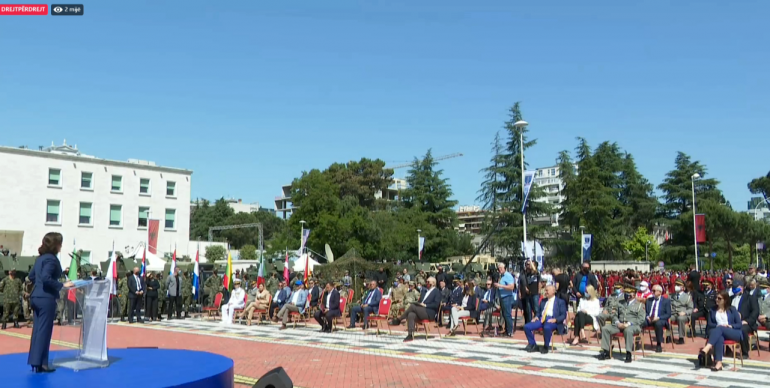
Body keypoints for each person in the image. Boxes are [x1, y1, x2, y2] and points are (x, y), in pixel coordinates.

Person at [28, 232, 74, 373]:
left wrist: (39, 285)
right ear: (56, 245)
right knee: (44, 331)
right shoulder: (51, 259)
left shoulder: (40, 259)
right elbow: (46, 278)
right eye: (60, 243)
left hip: (36, 297)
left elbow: (31, 276)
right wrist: (62, 285)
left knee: (38, 330)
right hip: (46, 298)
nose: (61, 246)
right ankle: (42, 363)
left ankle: (36, 362)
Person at [599, 284, 646, 363]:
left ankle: (628, 353)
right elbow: (614, 315)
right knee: (605, 329)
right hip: (619, 325)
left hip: (633, 326)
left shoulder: (640, 305)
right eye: (626, 293)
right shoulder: (620, 303)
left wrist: (629, 324)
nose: (627, 295)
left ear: (634, 294)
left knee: (628, 330)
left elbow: (641, 319)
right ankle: (606, 352)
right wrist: (617, 323)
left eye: (629, 293)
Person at [698, 290, 742, 371]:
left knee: (720, 329)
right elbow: (710, 324)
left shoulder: (732, 309)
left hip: (732, 331)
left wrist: (730, 326)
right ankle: (719, 363)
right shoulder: (712, 310)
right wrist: (718, 326)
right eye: (716, 298)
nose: (716, 300)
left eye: (719, 298)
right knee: (719, 336)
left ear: (725, 300)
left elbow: (739, 324)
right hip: (718, 332)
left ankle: (707, 347)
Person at [391, 276, 441, 342]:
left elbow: (436, 304)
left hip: (429, 312)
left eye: (428, 282)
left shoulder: (436, 292)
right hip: (421, 310)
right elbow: (419, 301)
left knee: (412, 306)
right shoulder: (424, 291)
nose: (427, 283)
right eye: (426, 282)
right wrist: (419, 304)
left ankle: (399, 319)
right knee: (411, 314)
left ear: (433, 283)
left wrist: (426, 305)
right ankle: (410, 335)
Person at [524, 285, 567, 354]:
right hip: (542, 319)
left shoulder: (560, 301)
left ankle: (546, 346)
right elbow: (539, 312)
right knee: (527, 326)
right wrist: (536, 317)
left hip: (552, 320)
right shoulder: (543, 301)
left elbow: (563, 315)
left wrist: (555, 319)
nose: (545, 292)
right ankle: (533, 344)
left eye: (547, 290)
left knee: (546, 327)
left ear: (553, 291)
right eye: (545, 290)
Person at [730, 280, 759, 359]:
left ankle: (745, 352)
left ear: (742, 288)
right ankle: (726, 349)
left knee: (742, 329)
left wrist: (747, 321)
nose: (734, 289)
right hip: (733, 322)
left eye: (736, 287)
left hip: (746, 323)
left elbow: (755, 311)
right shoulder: (731, 298)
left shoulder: (750, 298)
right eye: (733, 287)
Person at [494, 262, 516, 337]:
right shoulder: (501, 276)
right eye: (498, 268)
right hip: (502, 297)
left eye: (501, 268)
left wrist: (500, 285)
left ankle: (510, 331)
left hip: (507, 297)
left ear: (505, 268)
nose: (499, 269)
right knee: (504, 314)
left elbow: (511, 287)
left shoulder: (508, 276)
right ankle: (507, 330)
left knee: (507, 314)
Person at [670, 278, 694, 344]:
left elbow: (691, 309)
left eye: (678, 285)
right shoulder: (672, 295)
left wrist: (685, 312)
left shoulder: (688, 296)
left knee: (680, 319)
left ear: (683, 287)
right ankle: (668, 336)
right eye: (676, 285)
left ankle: (681, 337)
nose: (676, 286)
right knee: (667, 318)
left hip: (683, 315)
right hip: (673, 313)